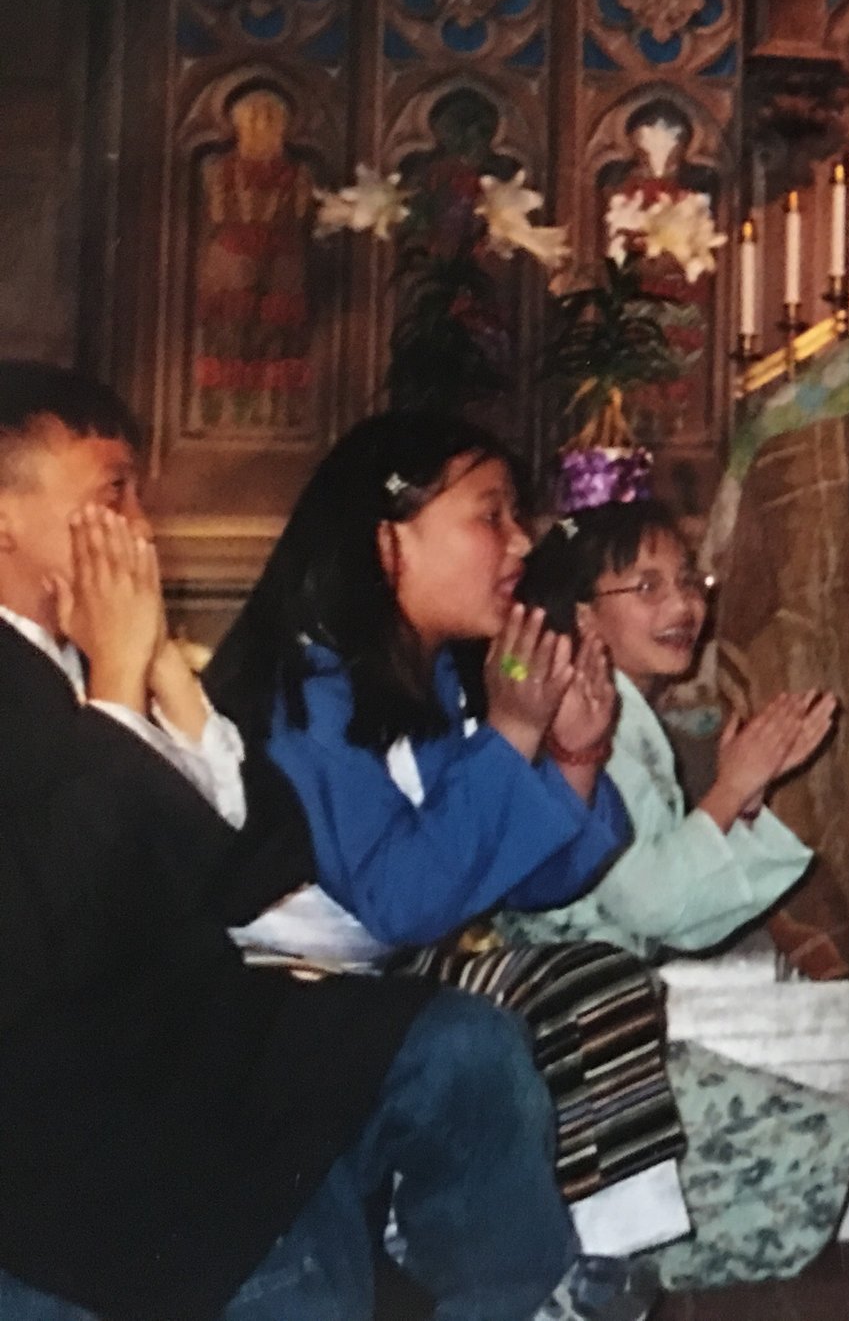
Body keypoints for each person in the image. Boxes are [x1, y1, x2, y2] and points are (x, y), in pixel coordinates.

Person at [0, 362, 646, 1321]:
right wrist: (117, 689)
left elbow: (226, 847)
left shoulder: (76, 662)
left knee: (464, 1047)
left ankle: (524, 1295)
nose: (141, 522)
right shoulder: (275, 682)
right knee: (301, 1260)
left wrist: (153, 685)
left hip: (200, 1024)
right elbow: (62, 928)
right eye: (112, 493)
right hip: (85, 1091)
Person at [207, 413, 692, 1259]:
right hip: (261, 1000)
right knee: (496, 1029)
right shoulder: (304, 688)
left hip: (372, 978)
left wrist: (574, 752)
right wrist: (510, 735)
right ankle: (522, 1269)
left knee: (593, 983)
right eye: (490, 515)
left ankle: (599, 1259)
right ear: (389, 540)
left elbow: (512, 874)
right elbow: (404, 897)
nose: (521, 542)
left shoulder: (427, 674)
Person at [501, 500, 849, 1291]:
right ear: (582, 616)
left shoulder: (631, 719)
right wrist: (732, 786)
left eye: (689, 580)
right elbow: (655, 903)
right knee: (815, 1145)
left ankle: (579, 1265)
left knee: (816, 1150)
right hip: (566, 1048)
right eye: (647, 584)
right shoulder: (581, 716)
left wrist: (744, 797)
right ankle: (568, 1269)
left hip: (609, 1033)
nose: (684, 605)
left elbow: (679, 915)